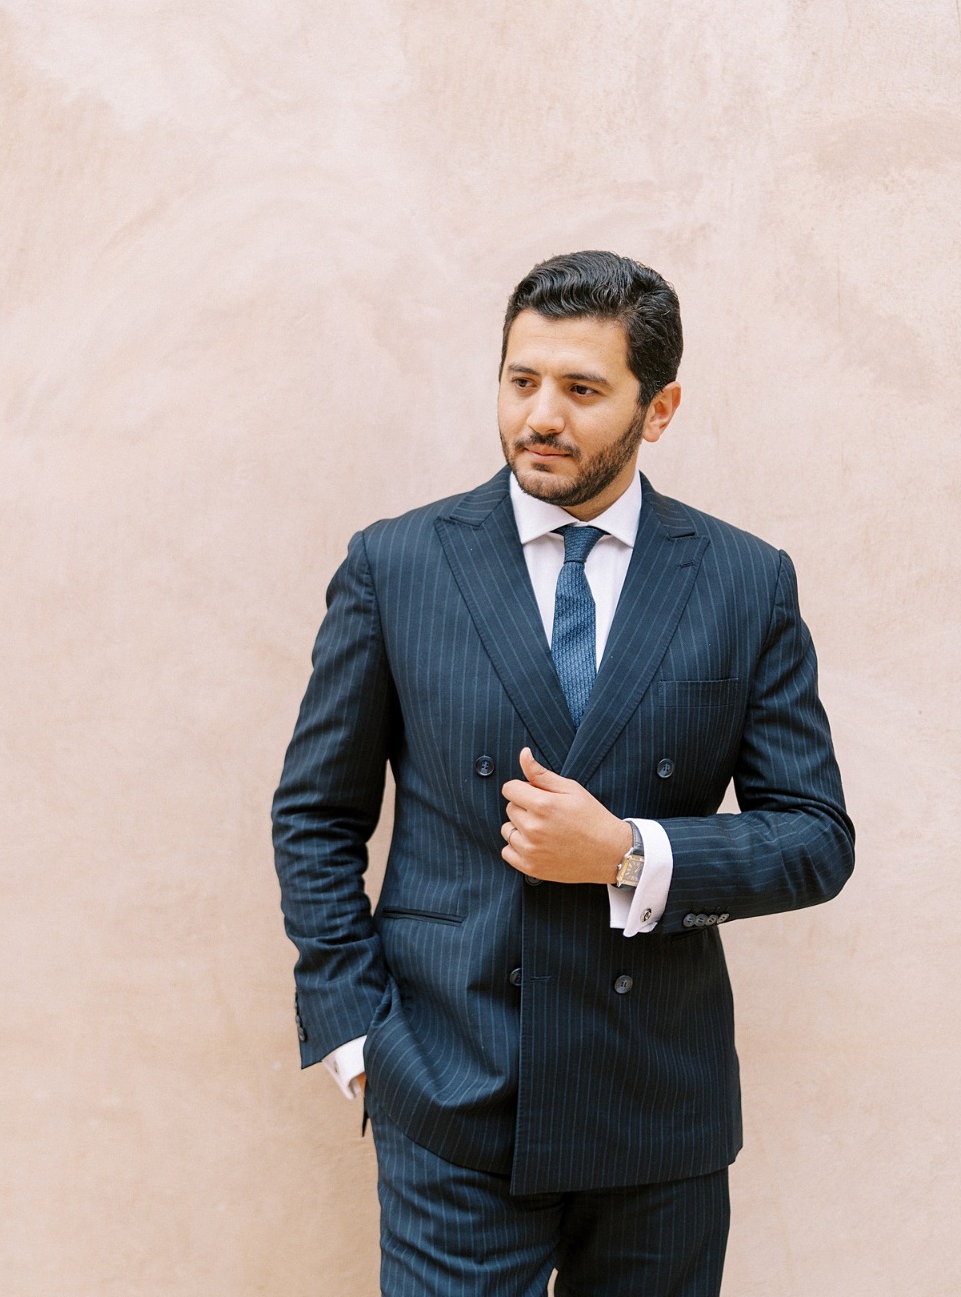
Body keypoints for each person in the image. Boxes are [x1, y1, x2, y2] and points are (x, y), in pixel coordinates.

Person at [271, 250, 854, 1297]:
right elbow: (316, 814)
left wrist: (632, 852)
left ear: (658, 407)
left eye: (582, 390)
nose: (541, 414)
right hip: (450, 1092)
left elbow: (816, 835)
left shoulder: (743, 581)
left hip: (656, 1113)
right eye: (520, 378)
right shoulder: (398, 564)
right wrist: (356, 1035)